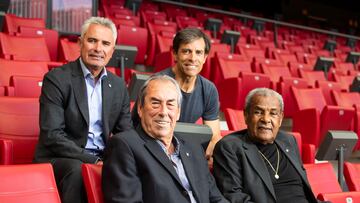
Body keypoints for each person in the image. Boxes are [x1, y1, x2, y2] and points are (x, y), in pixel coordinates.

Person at [33, 17, 132, 203]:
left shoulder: (118, 85)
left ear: (112, 51)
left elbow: (126, 133)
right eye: (92, 40)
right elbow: (52, 135)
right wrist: (92, 160)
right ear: (80, 43)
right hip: (60, 157)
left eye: (105, 43)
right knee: (78, 170)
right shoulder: (57, 79)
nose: (98, 48)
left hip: (100, 156)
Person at [103, 75, 228, 203]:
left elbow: (216, 198)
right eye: (156, 103)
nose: (164, 112)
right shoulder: (124, 145)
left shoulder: (194, 148)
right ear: (140, 109)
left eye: (170, 104)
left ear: (178, 112)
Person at [213, 88, 325, 203]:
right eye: (258, 112)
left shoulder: (289, 140)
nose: (266, 119)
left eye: (273, 113)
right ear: (246, 115)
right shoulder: (229, 147)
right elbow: (233, 196)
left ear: (280, 119)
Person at [132, 28, 221, 165]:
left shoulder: (209, 90)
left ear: (204, 58)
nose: (192, 58)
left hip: (185, 151)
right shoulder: (156, 84)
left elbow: (214, 136)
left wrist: (207, 153)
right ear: (175, 54)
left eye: (198, 53)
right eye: (186, 51)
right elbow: (139, 129)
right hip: (151, 147)